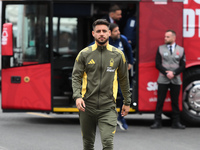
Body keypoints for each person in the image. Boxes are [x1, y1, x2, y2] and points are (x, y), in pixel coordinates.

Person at [72, 19, 131, 150]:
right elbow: (76, 77)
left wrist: (127, 102)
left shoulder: (118, 55)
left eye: (104, 31)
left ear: (109, 33)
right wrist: (77, 96)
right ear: (93, 33)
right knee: (88, 145)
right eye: (98, 31)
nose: (101, 34)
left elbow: (124, 79)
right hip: (87, 106)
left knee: (108, 144)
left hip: (108, 106)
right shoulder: (84, 54)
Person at [150, 30, 186, 129]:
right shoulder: (160, 49)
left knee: (175, 101)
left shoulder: (181, 50)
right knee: (160, 100)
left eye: (167, 37)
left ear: (174, 38)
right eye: (165, 36)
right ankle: (157, 122)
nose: (165, 38)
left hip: (176, 79)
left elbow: (183, 66)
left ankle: (176, 122)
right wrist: (167, 72)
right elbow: (157, 64)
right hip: (163, 78)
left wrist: (174, 73)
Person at [109, 23, 134, 130]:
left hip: (121, 73)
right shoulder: (103, 41)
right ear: (109, 33)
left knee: (123, 95)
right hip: (108, 74)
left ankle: (120, 117)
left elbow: (129, 51)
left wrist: (130, 62)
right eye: (116, 31)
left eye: (118, 30)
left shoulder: (122, 39)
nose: (118, 32)